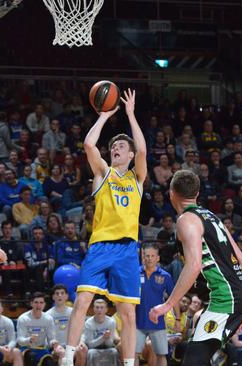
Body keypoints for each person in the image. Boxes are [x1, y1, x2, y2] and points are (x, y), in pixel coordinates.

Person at [62, 89, 147, 366]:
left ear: (131, 154)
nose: (115, 149)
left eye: (121, 147)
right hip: (100, 246)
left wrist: (131, 115)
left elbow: (144, 149)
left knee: (128, 314)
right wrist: (103, 116)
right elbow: (89, 145)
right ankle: (67, 356)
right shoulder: (103, 173)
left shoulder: (137, 179)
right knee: (83, 300)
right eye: (113, 147)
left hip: (126, 250)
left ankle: (130, 363)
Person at [148, 170, 242, 365]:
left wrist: (167, 305)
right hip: (236, 295)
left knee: (193, 360)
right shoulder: (212, 217)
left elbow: (194, 265)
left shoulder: (186, 220)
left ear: (171, 193)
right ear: (196, 194)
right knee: (198, 357)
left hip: (225, 298)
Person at [135, 243, 177, 366]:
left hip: (157, 322)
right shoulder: (134, 273)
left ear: (157, 258)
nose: (149, 258)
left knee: (161, 354)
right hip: (137, 321)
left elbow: (174, 298)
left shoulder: (165, 276)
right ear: (143, 257)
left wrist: (178, 319)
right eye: (147, 256)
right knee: (134, 354)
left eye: (152, 256)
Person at [46, 285, 87, 366]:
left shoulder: (74, 313)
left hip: (72, 347)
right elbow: (46, 335)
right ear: (53, 297)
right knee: (62, 353)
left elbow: (83, 331)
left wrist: (81, 342)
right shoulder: (48, 315)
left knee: (82, 350)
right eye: (57, 294)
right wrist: (52, 344)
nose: (59, 295)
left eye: (62, 293)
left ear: (67, 296)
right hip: (56, 348)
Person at [16, 292, 61, 366]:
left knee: (50, 363)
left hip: (42, 349)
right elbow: (19, 340)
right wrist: (29, 339)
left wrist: (53, 343)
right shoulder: (23, 318)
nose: (38, 305)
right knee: (31, 357)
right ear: (31, 304)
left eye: (41, 302)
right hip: (27, 349)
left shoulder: (48, 319)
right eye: (36, 302)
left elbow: (51, 339)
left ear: (44, 304)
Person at [83, 299, 120, 366]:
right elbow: (90, 345)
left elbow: (110, 345)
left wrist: (107, 338)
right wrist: (103, 338)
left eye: (102, 307)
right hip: (93, 349)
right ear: (94, 309)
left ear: (106, 309)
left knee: (114, 352)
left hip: (108, 347)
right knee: (90, 353)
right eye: (97, 307)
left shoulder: (111, 322)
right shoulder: (88, 323)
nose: (99, 310)